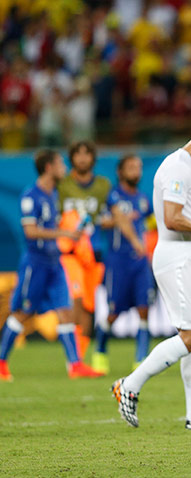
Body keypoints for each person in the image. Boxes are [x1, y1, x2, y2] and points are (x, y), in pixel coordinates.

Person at [111, 119, 191, 429]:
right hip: (178, 260)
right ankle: (129, 385)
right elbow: (171, 219)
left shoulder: (189, 167)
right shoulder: (178, 166)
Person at [0, 150, 103, 381]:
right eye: (60, 164)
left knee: (66, 311)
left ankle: (75, 365)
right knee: (23, 312)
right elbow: (30, 231)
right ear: (48, 167)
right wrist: (64, 232)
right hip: (35, 264)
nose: (64, 167)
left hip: (54, 262)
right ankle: (1, 362)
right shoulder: (31, 196)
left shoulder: (52, 195)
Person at [91, 155, 154, 374]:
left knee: (144, 308)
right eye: (131, 167)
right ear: (120, 172)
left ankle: (141, 359)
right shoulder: (112, 196)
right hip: (118, 262)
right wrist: (115, 221)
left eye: (138, 167)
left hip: (140, 263)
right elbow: (101, 221)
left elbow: (153, 223)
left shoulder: (145, 200)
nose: (136, 171)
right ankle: (100, 351)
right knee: (113, 312)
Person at [57, 141, 112, 359]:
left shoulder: (103, 185)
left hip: (94, 251)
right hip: (70, 252)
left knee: (89, 305)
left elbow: (110, 214)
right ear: (71, 158)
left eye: (86, 154)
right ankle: (74, 358)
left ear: (93, 158)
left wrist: (108, 221)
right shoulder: (62, 185)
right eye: (77, 154)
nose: (82, 158)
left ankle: (80, 355)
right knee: (76, 300)